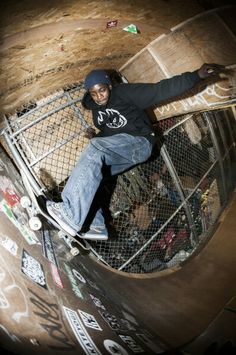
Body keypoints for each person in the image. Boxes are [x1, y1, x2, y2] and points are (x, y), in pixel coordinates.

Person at [46, 63, 225, 240]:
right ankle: (96, 224)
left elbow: (160, 90)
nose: (99, 97)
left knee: (95, 149)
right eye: (93, 94)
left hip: (140, 142)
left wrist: (196, 75)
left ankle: (70, 214)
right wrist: (96, 135)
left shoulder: (124, 93)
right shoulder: (96, 109)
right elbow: (111, 131)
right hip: (124, 149)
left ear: (109, 86)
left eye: (102, 91)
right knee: (96, 174)